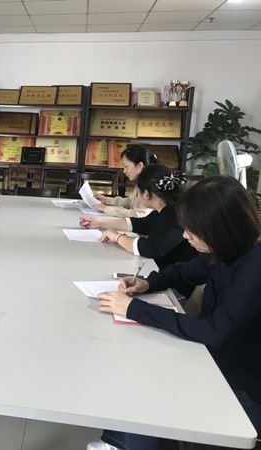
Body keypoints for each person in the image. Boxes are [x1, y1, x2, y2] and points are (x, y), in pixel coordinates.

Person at [88, 176, 261, 450]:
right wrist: (148, 283)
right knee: (140, 365)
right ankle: (118, 441)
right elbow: (184, 271)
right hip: (213, 360)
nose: (185, 236)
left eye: (192, 230)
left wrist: (134, 308)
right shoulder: (228, 251)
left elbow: (212, 331)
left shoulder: (253, 270)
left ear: (219, 231)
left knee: (152, 381)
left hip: (241, 386)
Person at [80, 164, 198, 273]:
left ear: (146, 194)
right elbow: (141, 224)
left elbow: (150, 248)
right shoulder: (167, 209)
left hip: (176, 280)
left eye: (138, 192)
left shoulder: (174, 214)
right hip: (165, 271)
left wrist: (117, 237)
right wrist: (100, 223)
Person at [93, 144, 157, 218]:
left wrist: (106, 209)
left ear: (140, 165)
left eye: (126, 166)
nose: (124, 171)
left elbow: (138, 214)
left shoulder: (151, 186)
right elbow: (129, 202)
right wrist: (105, 200)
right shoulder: (141, 181)